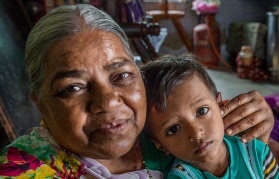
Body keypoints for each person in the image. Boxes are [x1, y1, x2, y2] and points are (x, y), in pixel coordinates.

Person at [0, 4, 275, 178]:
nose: (108, 102)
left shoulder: (167, 122)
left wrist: (258, 127)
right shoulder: (25, 169)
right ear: (40, 104)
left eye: (121, 75)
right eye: (73, 87)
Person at [142, 54, 279, 179]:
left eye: (201, 111)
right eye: (174, 129)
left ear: (220, 105)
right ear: (160, 146)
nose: (196, 133)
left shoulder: (256, 153)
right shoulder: (180, 177)